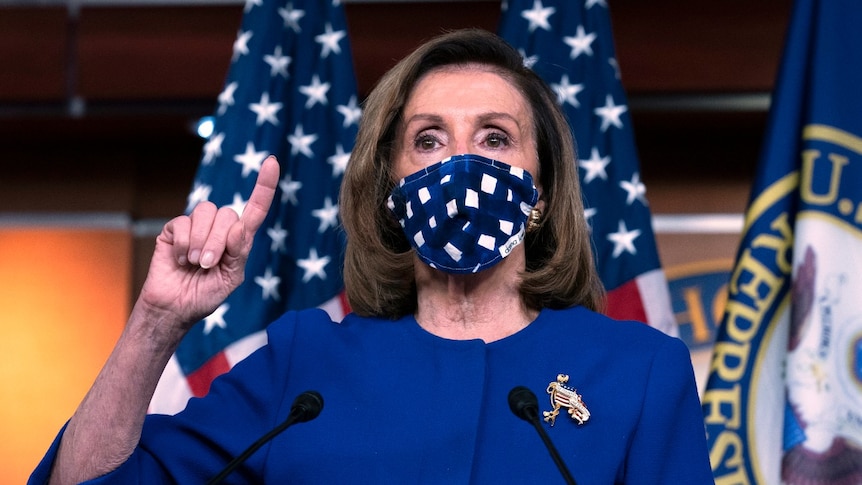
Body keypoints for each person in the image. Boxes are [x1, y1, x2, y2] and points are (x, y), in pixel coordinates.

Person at [31, 29, 713, 484]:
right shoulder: (303, 366)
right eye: (428, 140)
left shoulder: (638, 372)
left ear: (541, 191)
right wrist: (157, 320)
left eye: (496, 139)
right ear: (392, 189)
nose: (463, 163)